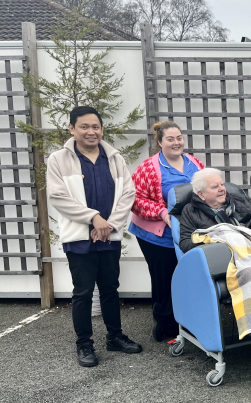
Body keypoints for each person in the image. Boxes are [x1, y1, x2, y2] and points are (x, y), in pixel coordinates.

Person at [46, 105, 141, 368]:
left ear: (102, 129)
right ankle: (84, 344)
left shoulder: (114, 158)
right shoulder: (58, 160)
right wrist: (93, 217)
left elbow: (127, 194)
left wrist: (108, 224)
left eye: (95, 126)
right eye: (84, 127)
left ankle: (115, 336)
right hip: (78, 237)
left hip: (109, 236)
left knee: (110, 288)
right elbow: (58, 197)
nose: (91, 132)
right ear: (72, 129)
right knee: (83, 292)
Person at [130, 121, 204, 342]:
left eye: (179, 138)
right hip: (157, 233)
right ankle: (165, 327)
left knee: (187, 275)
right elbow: (135, 199)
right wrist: (163, 213)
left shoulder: (194, 162)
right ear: (160, 142)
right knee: (165, 278)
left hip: (188, 230)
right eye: (170, 139)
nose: (176, 143)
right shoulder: (148, 168)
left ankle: (187, 324)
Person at [178, 168, 251, 254]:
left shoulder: (241, 199)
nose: (222, 189)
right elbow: (185, 244)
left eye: (222, 184)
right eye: (215, 187)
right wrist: (214, 240)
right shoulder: (191, 211)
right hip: (222, 259)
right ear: (201, 194)